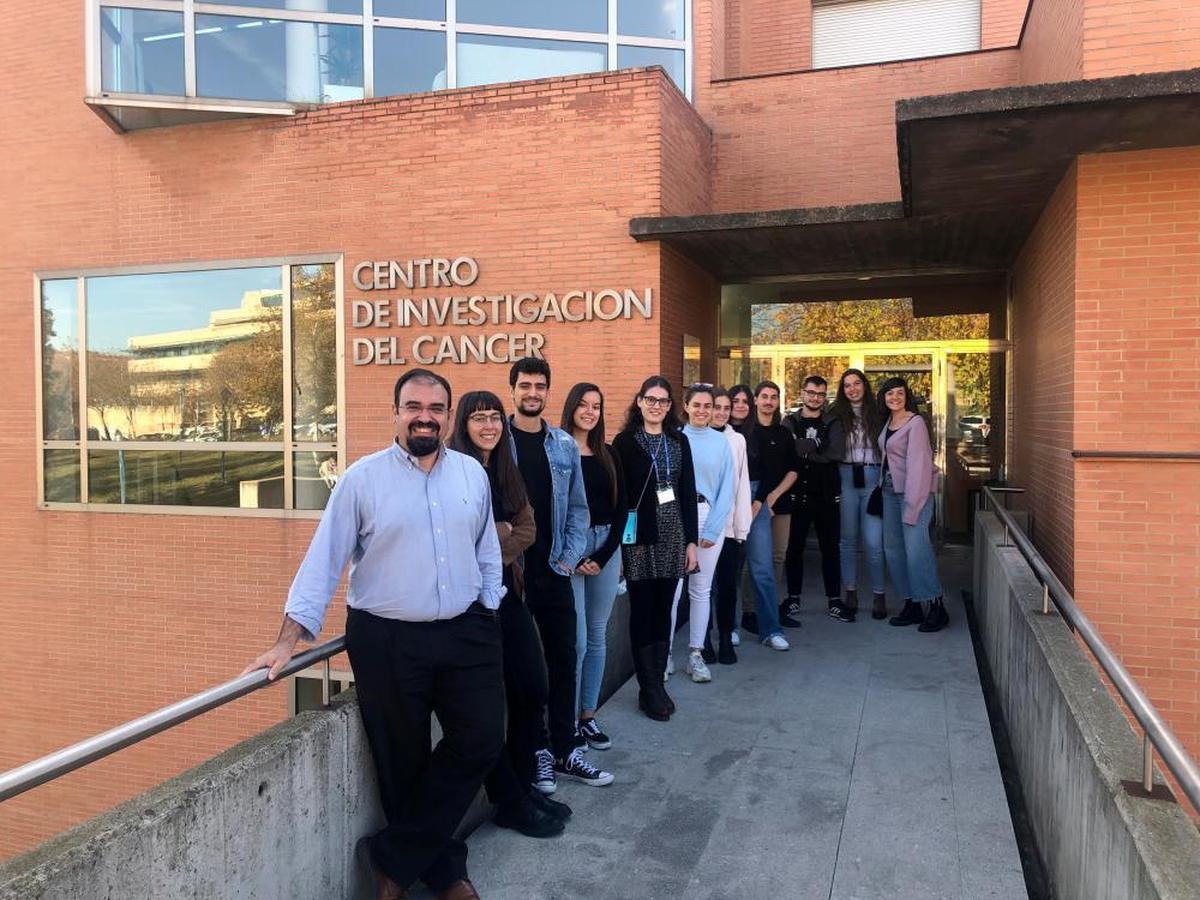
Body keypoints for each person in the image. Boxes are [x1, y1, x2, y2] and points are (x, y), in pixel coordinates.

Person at [244, 369, 503, 900]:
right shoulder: (362, 479)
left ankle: (392, 858)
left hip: (466, 633)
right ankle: (447, 871)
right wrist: (287, 640)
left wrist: (489, 603)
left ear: (449, 416)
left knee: (481, 741)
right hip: (387, 641)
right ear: (396, 413)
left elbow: (486, 548)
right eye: (414, 406)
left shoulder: (473, 475)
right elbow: (324, 560)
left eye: (436, 407)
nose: (425, 416)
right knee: (401, 760)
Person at [448, 391, 571, 840]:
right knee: (489, 706)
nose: (489, 426)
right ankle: (510, 801)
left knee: (532, 686)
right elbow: (453, 544)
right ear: (463, 423)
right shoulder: (452, 470)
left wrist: (494, 540)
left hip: (509, 594)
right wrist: (496, 538)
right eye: (479, 418)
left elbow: (529, 529)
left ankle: (522, 785)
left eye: (495, 418)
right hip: (471, 609)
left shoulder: (504, 469)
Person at [507, 357, 612, 792]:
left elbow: (578, 510)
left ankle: (567, 749)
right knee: (526, 672)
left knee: (565, 660)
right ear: (512, 388)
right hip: (511, 578)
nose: (532, 392)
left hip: (553, 572)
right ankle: (536, 754)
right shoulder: (498, 442)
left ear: (548, 392)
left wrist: (566, 560)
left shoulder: (563, 445)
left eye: (539, 386)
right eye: (525, 385)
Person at [612, 376, 699, 720]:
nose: (657, 406)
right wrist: (617, 544)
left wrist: (691, 541)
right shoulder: (624, 442)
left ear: (670, 407)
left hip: (673, 535)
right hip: (639, 538)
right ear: (639, 401)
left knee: (664, 612)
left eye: (663, 401)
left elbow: (688, 491)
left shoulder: (679, 441)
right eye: (651, 399)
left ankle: (656, 683)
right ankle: (647, 688)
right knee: (643, 612)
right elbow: (618, 497)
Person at [562, 382, 626, 752]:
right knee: (579, 640)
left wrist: (602, 557)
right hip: (570, 550)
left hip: (605, 547)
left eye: (596, 406)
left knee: (598, 635)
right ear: (571, 407)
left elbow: (622, 510)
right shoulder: (557, 449)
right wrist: (573, 555)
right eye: (583, 405)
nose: (590, 411)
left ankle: (588, 716)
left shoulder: (609, 453)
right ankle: (566, 721)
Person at [669, 383, 734, 683]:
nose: (703, 410)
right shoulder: (674, 438)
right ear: (686, 405)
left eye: (708, 406)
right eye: (697, 405)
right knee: (672, 591)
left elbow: (726, 490)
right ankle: (665, 655)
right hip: (676, 516)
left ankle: (695, 654)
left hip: (708, 516)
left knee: (701, 589)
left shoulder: (722, 443)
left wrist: (713, 527)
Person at [877, 377, 949, 633]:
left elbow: (919, 467)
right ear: (883, 397)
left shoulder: (915, 423)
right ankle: (913, 604)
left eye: (899, 393)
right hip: (888, 491)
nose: (894, 397)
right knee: (894, 551)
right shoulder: (888, 422)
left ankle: (936, 606)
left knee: (917, 551)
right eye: (889, 393)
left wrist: (912, 505)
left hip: (912, 495)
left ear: (907, 395)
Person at [781, 375, 844, 621]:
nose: (815, 398)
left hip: (827, 496)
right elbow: (789, 450)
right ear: (802, 393)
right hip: (797, 495)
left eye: (820, 394)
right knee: (793, 548)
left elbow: (836, 452)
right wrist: (818, 445)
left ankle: (835, 600)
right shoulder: (790, 420)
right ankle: (793, 598)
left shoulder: (833, 421)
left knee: (831, 549)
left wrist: (806, 450)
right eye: (811, 393)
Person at [743, 380, 799, 650]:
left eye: (773, 397)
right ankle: (747, 614)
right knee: (749, 562)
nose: (768, 401)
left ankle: (771, 617)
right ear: (755, 400)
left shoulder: (784, 432)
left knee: (773, 559)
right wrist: (762, 501)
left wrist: (772, 497)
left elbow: (793, 468)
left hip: (774, 500)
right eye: (763, 396)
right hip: (751, 501)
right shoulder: (745, 432)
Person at [829, 369, 888, 621]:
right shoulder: (834, 414)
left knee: (874, 542)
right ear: (842, 391)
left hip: (874, 479)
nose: (852, 389)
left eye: (856, 383)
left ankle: (879, 594)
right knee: (847, 540)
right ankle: (850, 591)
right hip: (846, 477)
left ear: (864, 385)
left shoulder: (879, 412)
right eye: (846, 386)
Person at [709, 387, 752, 664]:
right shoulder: (688, 438)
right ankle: (701, 641)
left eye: (726, 408)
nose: (722, 413)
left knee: (727, 585)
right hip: (701, 527)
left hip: (728, 527)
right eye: (717, 407)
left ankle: (726, 637)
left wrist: (741, 528)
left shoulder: (737, 440)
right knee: (701, 589)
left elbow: (742, 486)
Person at [727, 384, 755, 638]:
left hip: (751, 501)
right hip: (721, 506)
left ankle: (748, 615)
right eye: (734, 400)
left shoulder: (752, 433)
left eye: (745, 401)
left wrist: (753, 506)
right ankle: (728, 625)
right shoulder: (720, 434)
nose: (740, 405)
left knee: (751, 564)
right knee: (729, 571)